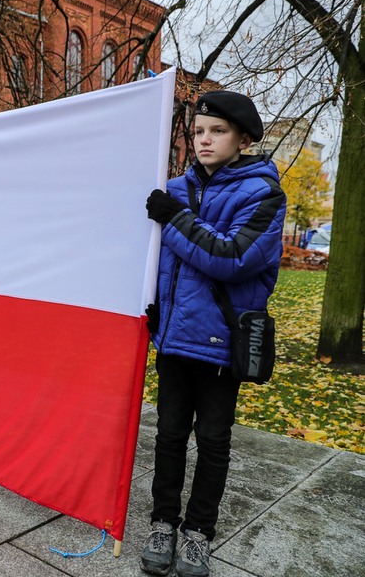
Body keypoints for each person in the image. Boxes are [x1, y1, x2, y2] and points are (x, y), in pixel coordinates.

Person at [140, 91, 286, 577]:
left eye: (217, 131)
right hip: (174, 340)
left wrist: (173, 218)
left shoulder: (264, 193)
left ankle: (198, 532)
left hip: (222, 343)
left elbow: (230, 257)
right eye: (199, 131)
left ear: (243, 139)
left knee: (213, 441)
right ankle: (163, 523)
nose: (204, 139)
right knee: (169, 436)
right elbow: (152, 259)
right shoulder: (172, 189)